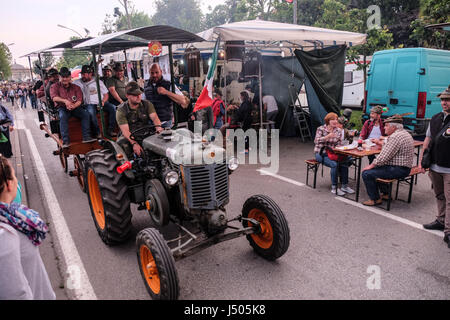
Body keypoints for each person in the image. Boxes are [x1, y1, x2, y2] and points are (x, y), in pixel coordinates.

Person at [0, 155, 56, 300]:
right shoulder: (6, 235)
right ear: (9, 184)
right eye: (14, 175)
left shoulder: (13, 218)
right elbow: (15, 293)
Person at [361, 115, 414, 206]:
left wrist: (371, 165)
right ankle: (386, 194)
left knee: (367, 173)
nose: (384, 127)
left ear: (393, 127)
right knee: (379, 168)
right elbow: (387, 148)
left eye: (386, 125)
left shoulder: (395, 137)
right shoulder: (405, 134)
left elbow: (384, 156)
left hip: (399, 169)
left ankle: (375, 199)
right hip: (405, 168)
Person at [421, 85, 450, 247]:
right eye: (443, 100)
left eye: (447, 100)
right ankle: (440, 220)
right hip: (435, 167)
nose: (444, 103)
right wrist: (423, 161)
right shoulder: (436, 118)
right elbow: (428, 139)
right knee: (439, 196)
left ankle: (448, 231)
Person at [50, 67, 95, 148]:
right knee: (62, 116)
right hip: (62, 107)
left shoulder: (75, 87)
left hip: (75, 107)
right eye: (63, 77)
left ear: (70, 77)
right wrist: (65, 101)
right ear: (60, 77)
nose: (65, 79)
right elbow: (54, 98)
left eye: (67, 77)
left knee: (86, 114)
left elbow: (79, 100)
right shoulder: (55, 86)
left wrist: (73, 106)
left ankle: (86, 137)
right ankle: (66, 141)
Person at [116, 81, 163, 157]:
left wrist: (158, 128)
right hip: (130, 135)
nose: (138, 97)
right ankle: (129, 165)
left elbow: (155, 118)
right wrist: (134, 143)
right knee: (122, 143)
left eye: (139, 94)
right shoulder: (121, 110)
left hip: (145, 132)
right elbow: (125, 131)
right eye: (135, 95)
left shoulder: (147, 104)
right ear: (127, 96)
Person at [314, 112, 354, 196]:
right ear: (328, 121)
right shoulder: (321, 129)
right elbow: (316, 141)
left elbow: (339, 143)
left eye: (336, 119)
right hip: (321, 153)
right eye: (333, 119)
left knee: (345, 162)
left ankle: (344, 185)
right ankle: (334, 187)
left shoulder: (338, 130)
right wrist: (327, 137)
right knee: (334, 164)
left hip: (333, 153)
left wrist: (341, 147)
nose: (335, 121)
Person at [74, 65, 117, 137]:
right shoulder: (77, 82)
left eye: (85, 74)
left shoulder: (98, 82)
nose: (83, 76)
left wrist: (103, 102)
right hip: (89, 104)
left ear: (90, 74)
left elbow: (106, 94)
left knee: (113, 108)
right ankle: (97, 132)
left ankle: (111, 130)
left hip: (101, 102)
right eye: (82, 74)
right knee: (90, 112)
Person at [144, 63, 189, 129]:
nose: (154, 75)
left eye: (157, 72)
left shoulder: (168, 84)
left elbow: (183, 101)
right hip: (151, 123)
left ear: (161, 72)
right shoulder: (146, 85)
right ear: (149, 73)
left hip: (165, 123)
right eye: (152, 73)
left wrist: (166, 92)